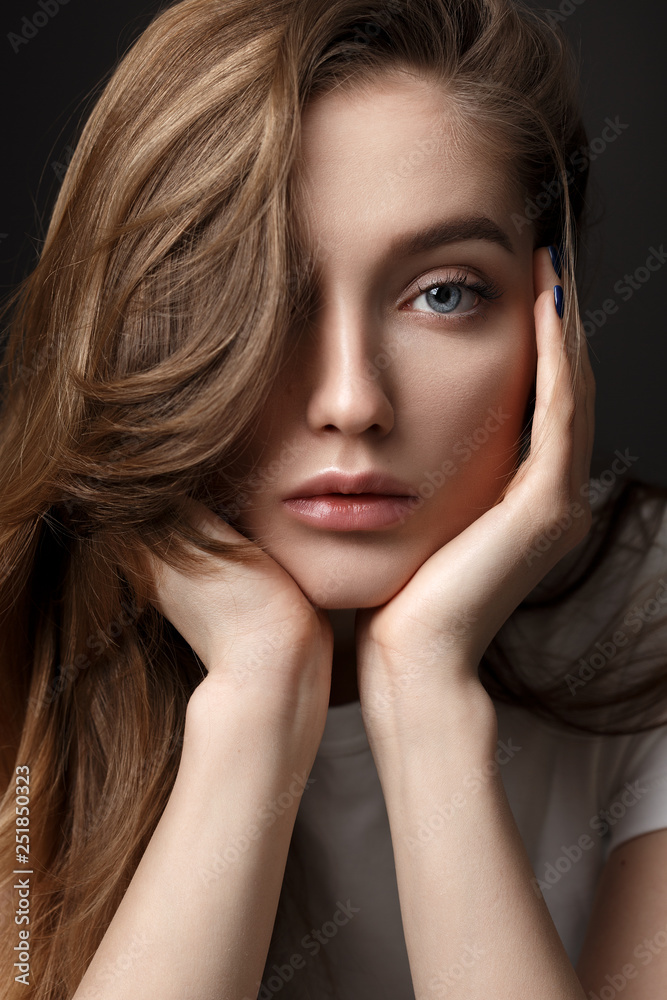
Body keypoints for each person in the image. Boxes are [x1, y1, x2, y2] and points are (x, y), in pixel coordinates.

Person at [1, 0, 666, 997]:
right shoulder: (23, 644)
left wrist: (427, 695)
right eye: (260, 292)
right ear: (136, 329)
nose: (351, 400)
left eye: (443, 292)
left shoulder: (649, 622)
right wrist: (257, 700)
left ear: (550, 326)